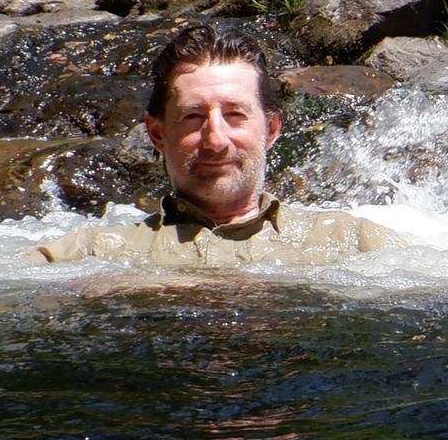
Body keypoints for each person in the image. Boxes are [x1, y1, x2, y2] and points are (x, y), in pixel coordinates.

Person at [34, 22, 403, 266]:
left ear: (271, 129)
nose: (215, 140)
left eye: (235, 115)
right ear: (157, 134)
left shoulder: (353, 241)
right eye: (194, 117)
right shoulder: (96, 252)